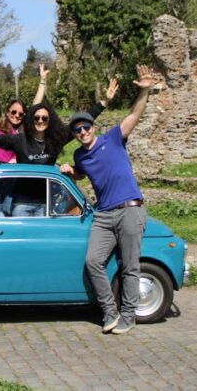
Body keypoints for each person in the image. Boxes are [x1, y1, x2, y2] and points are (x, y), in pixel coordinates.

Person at [60, 65, 156, 335]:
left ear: (93, 127)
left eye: (86, 126)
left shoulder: (113, 138)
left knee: (130, 266)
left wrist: (145, 91)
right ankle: (110, 311)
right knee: (93, 261)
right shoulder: (80, 155)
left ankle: (129, 315)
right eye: (77, 129)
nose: (82, 132)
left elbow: (134, 115)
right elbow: (83, 173)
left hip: (129, 210)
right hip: (103, 214)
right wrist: (71, 171)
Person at [0, 78, 118, 165]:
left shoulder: (56, 139)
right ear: (30, 120)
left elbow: (82, 121)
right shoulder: (20, 140)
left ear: (50, 121)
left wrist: (104, 102)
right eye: (36, 118)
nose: (40, 121)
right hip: (22, 201)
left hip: (46, 201)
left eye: (44, 118)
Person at [0, 60, 48, 135]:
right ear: (8, 112)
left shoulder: (24, 127)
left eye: (21, 114)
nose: (17, 115)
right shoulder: (0, 125)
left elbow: (35, 105)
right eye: (13, 112)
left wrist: (43, 81)